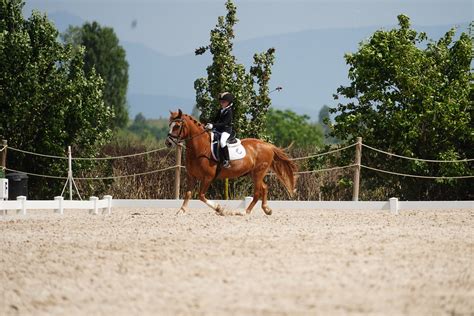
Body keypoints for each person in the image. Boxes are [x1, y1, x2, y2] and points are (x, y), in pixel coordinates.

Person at [205, 92, 234, 168]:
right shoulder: (221, 110)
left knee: (222, 142)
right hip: (218, 130)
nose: (221, 103)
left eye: (223, 102)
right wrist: (209, 124)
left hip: (226, 130)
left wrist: (213, 125)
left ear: (228, 102)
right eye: (221, 102)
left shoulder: (229, 112)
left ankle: (227, 160)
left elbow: (225, 123)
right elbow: (215, 120)